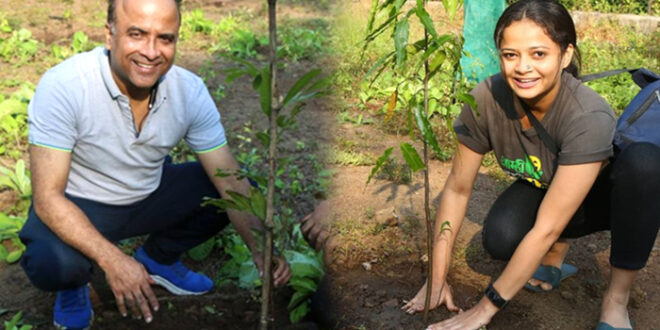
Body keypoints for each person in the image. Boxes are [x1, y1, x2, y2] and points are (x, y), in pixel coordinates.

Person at [19, 0, 291, 328]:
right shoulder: (65, 86)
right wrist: (113, 260)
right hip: (79, 204)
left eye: (165, 38)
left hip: (147, 195)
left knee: (235, 192)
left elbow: (229, 180)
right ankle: (75, 284)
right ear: (110, 35)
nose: (151, 51)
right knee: (53, 263)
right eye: (137, 34)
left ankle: (157, 258)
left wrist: (261, 249)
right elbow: (48, 198)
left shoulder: (188, 91)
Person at [401, 0, 660, 329]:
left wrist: (483, 309)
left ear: (565, 55)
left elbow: (546, 226)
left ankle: (616, 300)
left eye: (538, 54)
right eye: (511, 55)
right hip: (548, 185)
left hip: (603, 201)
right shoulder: (485, 99)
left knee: (645, 165)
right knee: (500, 237)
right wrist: (436, 281)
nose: (523, 68)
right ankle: (555, 255)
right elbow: (457, 188)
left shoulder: (588, 115)